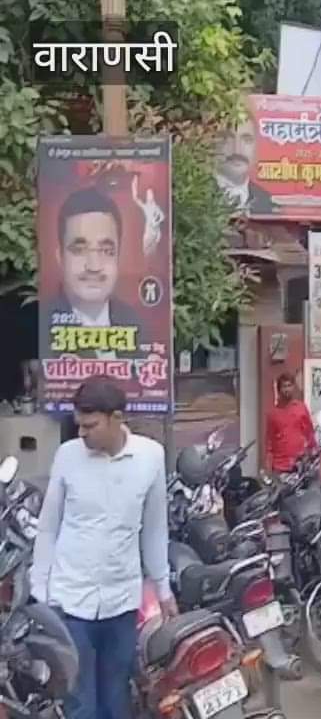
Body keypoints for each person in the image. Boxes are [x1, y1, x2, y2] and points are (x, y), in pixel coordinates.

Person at [30, 376, 177, 719]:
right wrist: (41, 593)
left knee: (116, 700)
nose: (82, 433)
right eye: (79, 425)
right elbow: (48, 527)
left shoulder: (150, 457)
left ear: (117, 417)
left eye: (90, 425)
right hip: (70, 602)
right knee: (81, 703)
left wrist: (163, 587)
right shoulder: (68, 456)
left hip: (121, 603)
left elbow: (154, 529)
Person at [45, 188, 150, 355]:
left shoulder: (137, 325)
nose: (94, 266)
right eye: (79, 250)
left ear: (118, 257)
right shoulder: (41, 327)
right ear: (60, 257)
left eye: (106, 251)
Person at [214, 119, 273, 215]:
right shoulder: (195, 193)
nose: (237, 150)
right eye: (227, 138)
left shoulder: (268, 201)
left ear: (256, 147)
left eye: (247, 140)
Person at [264, 373, 317, 477]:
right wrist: (268, 466)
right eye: (284, 386)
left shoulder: (301, 408)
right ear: (279, 390)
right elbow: (269, 441)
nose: (287, 389)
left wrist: (313, 452)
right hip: (280, 466)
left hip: (300, 464)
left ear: (293, 387)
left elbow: (309, 433)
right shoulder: (273, 413)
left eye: (289, 385)